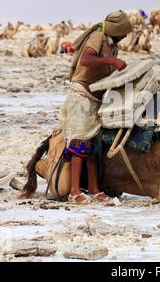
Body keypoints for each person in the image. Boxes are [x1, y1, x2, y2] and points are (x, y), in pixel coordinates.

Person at [59, 11, 133, 204]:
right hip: (81, 96)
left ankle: (93, 189)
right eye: (123, 32)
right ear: (116, 29)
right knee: (80, 141)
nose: (125, 36)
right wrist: (112, 61)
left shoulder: (112, 45)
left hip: (95, 98)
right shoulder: (98, 37)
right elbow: (86, 60)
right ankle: (74, 191)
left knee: (94, 145)